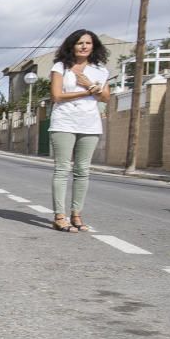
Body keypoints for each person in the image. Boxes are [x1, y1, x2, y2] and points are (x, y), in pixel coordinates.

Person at [48, 29, 111, 233]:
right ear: (72, 46)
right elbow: (57, 96)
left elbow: (106, 97)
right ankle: (59, 216)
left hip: (90, 123)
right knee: (62, 169)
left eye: (88, 43)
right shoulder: (61, 67)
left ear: (94, 46)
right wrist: (88, 91)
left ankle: (76, 214)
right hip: (64, 122)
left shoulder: (100, 70)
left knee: (82, 170)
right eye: (79, 43)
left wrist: (91, 85)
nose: (84, 46)